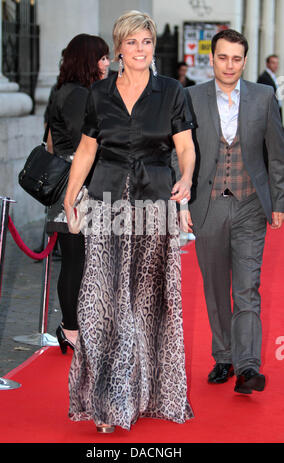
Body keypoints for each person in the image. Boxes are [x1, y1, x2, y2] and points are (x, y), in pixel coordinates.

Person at [64, 10, 196, 433]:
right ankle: (107, 398)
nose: (140, 50)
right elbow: (87, 150)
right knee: (100, 301)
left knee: (144, 302)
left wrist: (188, 176)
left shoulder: (172, 91)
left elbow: (186, 146)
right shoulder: (99, 93)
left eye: (147, 42)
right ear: (119, 47)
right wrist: (70, 195)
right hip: (106, 202)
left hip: (152, 204)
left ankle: (138, 396)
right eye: (133, 42)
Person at [186, 29, 284, 394]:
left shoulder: (264, 97)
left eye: (237, 58)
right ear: (211, 59)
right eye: (223, 57)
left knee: (247, 287)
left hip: (250, 206)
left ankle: (247, 366)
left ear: (245, 61)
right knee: (214, 287)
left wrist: (279, 202)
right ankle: (224, 356)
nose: (229, 65)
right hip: (207, 205)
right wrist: (181, 201)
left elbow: (276, 154)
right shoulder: (190, 97)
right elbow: (179, 152)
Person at [46, 34, 110, 352]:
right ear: (88, 60)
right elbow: (86, 142)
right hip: (76, 186)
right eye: (102, 57)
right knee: (75, 260)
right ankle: (71, 329)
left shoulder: (65, 91)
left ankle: (74, 326)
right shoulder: (77, 95)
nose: (107, 63)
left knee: (77, 259)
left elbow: (50, 142)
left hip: (75, 183)